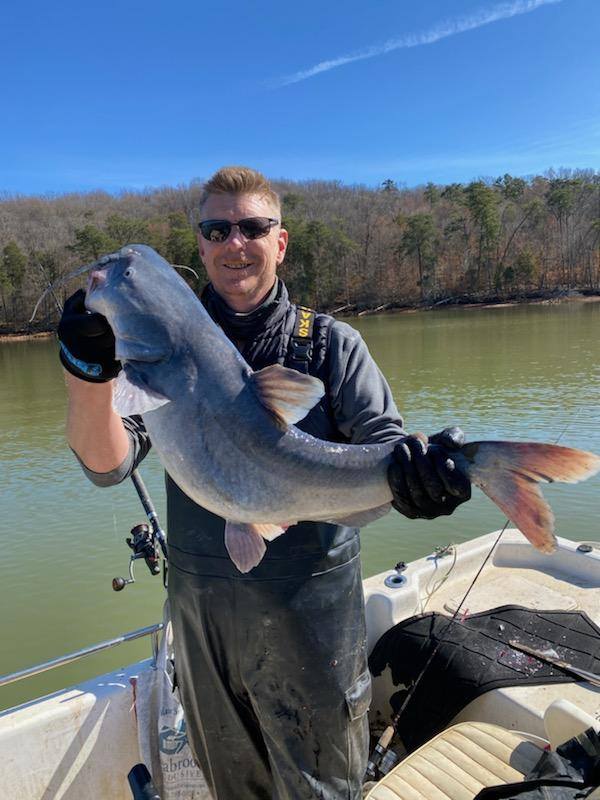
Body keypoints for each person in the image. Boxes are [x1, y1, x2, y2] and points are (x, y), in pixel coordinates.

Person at [59, 166, 470, 800]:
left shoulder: (332, 346)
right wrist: (86, 370)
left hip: (315, 626)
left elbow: (385, 448)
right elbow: (107, 464)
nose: (235, 242)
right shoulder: (151, 345)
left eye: (253, 227)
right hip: (204, 627)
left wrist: (418, 479)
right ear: (201, 247)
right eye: (216, 230)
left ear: (280, 242)